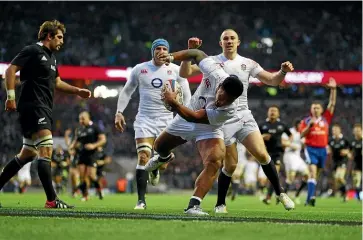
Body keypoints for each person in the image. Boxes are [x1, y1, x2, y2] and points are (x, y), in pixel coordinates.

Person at [145, 48, 294, 215]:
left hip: (206, 125)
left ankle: (194, 205)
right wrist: (171, 57)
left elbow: (195, 118)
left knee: (215, 161)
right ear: (221, 85)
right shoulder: (215, 72)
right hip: (186, 115)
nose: (222, 102)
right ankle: (163, 157)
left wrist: (174, 103)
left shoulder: (229, 109)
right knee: (158, 146)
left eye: (228, 101)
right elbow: (196, 53)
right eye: (222, 96)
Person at [1, 20, 91, 208]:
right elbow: (10, 70)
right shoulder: (33, 50)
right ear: (48, 36)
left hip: (43, 108)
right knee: (46, 149)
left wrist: (77, 91)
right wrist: (10, 96)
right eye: (59, 37)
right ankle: (52, 200)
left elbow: (57, 83)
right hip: (33, 106)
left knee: (28, 153)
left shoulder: (51, 58)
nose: (62, 41)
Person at [114, 38, 191, 210]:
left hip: (167, 120)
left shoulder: (176, 70)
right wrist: (119, 112)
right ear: (153, 51)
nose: (161, 51)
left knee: (163, 164)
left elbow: (186, 93)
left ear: (168, 51)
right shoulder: (140, 69)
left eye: (164, 48)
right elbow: (127, 91)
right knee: (143, 157)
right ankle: (141, 201)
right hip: (145, 120)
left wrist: (185, 114)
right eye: (158, 48)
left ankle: (156, 166)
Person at [300, 77, 336, 206]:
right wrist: (309, 127)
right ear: (311, 109)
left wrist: (333, 89)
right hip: (311, 149)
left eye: (317, 108)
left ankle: (311, 196)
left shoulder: (326, 119)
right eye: (313, 108)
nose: (315, 110)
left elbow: (332, 104)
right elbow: (301, 135)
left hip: (322, 150)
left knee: (317, 174)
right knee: (312, 173)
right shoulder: (306, 121)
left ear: (321, 110)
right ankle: (310, 198)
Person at [259, 105, 292, 205]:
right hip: (265, 153)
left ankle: (268, 197)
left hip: (278, 153)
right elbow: (255, 138)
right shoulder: (262, 125)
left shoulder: (282, 125)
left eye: (274, 111)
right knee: (264, 179)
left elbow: (290, 135)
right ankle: (277, 193)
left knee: (274, 175)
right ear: (268, 113)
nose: (272, 112)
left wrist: (287, 143)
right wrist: (262, 137)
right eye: (271, 110)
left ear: (278, 113)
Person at [70, 111, 107, 201]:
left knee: (91, 175)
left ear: (88, 118)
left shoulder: (95, 127)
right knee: (82, 176)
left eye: (83, 118)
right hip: (82, 154)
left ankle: (99, 189)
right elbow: (75, 141)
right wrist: (71, 148)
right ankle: (85, 195)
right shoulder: (79, 129)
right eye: (80, 119)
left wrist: (94, 145)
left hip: (92, 154)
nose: (81, 120)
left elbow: (103, 140)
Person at [282, 119, 309, 204]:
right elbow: (282, 142)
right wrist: (292, 145)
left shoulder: (302, 134)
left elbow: (304, 145)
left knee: (307, 175)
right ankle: (283, 196)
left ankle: (296, 195)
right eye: (300, 125)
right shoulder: (289, 131)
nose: (302, 126)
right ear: (296, 125)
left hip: (297, 157)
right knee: (291, 177)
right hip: (289, 156)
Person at [328, 123, 350, 202]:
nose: (334, 131)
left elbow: (350, 149)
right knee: (337, 181)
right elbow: (328, 149)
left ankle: (346, 193)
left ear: (339, 130)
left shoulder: (345, 140)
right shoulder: (331, 141)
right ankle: (345, 194)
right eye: (333, 130)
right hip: (334, 163)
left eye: (336, 130)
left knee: (339, 177)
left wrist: (347, 151)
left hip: (343, 161)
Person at [349, 124, 362, 201]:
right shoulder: (352, 142)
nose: (357, 132)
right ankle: (358, 198)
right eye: (356, 131)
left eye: (358, 131)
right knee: (356, 182)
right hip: (356, 164)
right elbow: (350, 152)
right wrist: (349, 154)